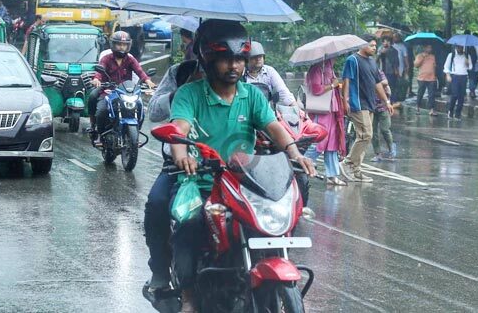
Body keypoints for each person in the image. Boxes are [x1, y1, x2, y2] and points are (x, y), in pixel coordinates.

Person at [166, 19, 315, 312]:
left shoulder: (252, 96)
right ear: (208, 59)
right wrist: (181, 154)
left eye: (238, 59)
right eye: (225, 59)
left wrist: (295, 154)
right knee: (188, 223)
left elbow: (273, 127)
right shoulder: (190, 94)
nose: (233, 66)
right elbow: (178, 128)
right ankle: (188, 295)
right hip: (201, 181)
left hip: (243, 185)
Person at [142, 59, 203, 307]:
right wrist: (178, 93)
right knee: (157, 203)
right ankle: (160, 270)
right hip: (181, 167)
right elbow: (155, 112)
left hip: (232, 168)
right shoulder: (180, 73)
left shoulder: (245, 86)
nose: (231, 65)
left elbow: (269, 120)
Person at [340, 35, 393, 183]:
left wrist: (386, 101)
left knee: (363, 137)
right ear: (362, 45)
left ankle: (356, 171)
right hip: (357, 103)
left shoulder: (372, 62)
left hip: (370, 104)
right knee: (366, 135)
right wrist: (345, 100)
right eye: (371, 45)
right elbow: (346, 80)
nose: (374, 48)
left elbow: (377, 84)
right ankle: (347, 163)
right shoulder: (353, 60)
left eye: (375, 46)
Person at [88, 31, 156, 141]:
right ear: (113, 45)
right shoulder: (106, 58)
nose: (122, 47)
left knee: (139, 108)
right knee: (99, 108)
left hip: (127, 91)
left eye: (124, 45)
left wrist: (147, 81)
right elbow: (99, 71)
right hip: (108, 90)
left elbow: (139, 71)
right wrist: (96, 79)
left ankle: (135, 133)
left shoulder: (130, 59)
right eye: (119, 44)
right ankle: (95, 127)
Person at [303, 57, 346, 185]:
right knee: (319, 141)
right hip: (321, 111)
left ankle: (332, 175)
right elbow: (317, 89)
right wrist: (333, 84)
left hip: (332, 110)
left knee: (332, 143)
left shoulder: (329, 69)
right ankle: (301, 163)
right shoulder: (317, 69)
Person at [244, 41, 296, 106]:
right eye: (254, 57)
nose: (258, 59)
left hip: (266, 111)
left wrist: (296, 108)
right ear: (246, 59)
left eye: (260, 56)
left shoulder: (269, 71)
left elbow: (283, 92)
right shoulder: (241, 74)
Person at [370, 69, 396, 161]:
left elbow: (385, 82)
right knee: (373, 132)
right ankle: (378, 153)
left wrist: (373, 83)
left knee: (385, 129)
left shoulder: (378, 72)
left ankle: (391, 150)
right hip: (371, 107)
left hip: (383, 106)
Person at [444, 45, 472, 119]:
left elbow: (470, 67)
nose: (460, 49)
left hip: (464, 76)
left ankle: (458, 113)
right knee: (455, 94)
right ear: (456, 47)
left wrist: (467, 63)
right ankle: (450, 110)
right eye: (458, 47)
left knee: (461, 96)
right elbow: (446, 66)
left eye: (461, 47)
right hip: (455, 76)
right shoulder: (451, 55)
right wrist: (448, 75)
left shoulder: (467, 55)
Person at [414, 44, 438, 115]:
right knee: (420, 93)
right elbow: (416, 65)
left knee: (431, 95)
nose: (430, 49)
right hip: (422, 78)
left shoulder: (433, 56)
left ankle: (431, 109)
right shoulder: (419, 56)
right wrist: (422, 58)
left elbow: (435, 66)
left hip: (431, 78)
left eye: (430, 47)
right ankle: (417, 107)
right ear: (424, 48)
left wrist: (435, 73)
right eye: (428, 47)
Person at [378, 36, 400, 102]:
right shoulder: (380, 49)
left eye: (387, 41)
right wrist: (381, 53)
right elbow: (376, 60)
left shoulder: (394, 50)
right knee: (382, 86)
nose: (385, 43)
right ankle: (383, 100)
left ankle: (392, 101)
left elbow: (396, 62)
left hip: (391, 72)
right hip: (381, 71)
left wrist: (396, 71)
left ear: (390, 42)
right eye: (384, 41)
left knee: (392, 87)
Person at [392, 33, 410, 100]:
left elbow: (406, 58)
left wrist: (407, 67)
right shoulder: (391, 46)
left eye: (397, 37)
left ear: (399, 38)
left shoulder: (402, 47)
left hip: (400, 68)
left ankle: (399, 97)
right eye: (394, 37)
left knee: (399, 83)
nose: (395, 38)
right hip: (391, 69)